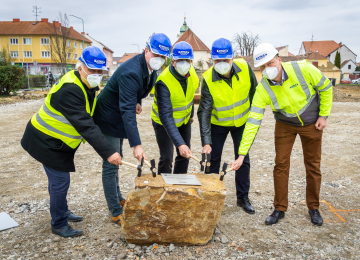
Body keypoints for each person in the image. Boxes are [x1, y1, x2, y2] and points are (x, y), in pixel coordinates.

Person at [21, 46, 122, 237]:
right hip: (45, 140)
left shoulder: (86, 84)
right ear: (80, 67)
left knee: (58, 181)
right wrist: (109, 152)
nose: (97, 75)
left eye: (100, 71)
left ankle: (62, 211)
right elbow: (86, 125)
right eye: (93, 70)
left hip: (58, 142)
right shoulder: (70, 89)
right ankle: (59, 223)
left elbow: (91, 111)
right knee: (60, 181)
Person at [231, 43, 333, 226]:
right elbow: (253, 121)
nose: (267, 69)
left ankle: (313, 207)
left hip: (312, 123)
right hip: (285, 124)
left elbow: (326, 87)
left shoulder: (303, 69)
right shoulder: (263, 89)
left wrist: (324, 115)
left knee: (313, 166)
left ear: (279, 59)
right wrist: (241, 154)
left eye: (270, 63)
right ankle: (279, 208)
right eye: (262, 67)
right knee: (280, 165)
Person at [92, 33, 172, 224]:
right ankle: (114, 210)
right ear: (146, 51)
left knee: (118, 158)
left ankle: (118, 196)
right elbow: (126, 110)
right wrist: (136, 144)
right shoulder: (131, 71)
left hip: (119, 114)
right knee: (112, 162)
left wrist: (136, 100)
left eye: (163, 57)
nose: (159, 60)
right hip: (109, 117)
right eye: (156, 55)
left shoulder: (152, 69)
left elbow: (138, 91)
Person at [197, 38, 258, 214]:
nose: (222, 64)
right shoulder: (208, 77)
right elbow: (204, 112)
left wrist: (253, 119)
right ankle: (211, 194)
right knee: (212, 159)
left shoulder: (246, 68)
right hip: (218, 124)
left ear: (233, 58)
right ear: (212, 60)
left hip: (241, 123)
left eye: (226, 60)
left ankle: (242, 198)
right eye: (217, 61)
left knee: (242, 159)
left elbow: (255, 94)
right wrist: (206, 141)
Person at [151, 41, 198, 174]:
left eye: (187, 60)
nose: (184, 63)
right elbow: (165, 116)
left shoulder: (193, 74)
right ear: (173, 62)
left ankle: (179, 187)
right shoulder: (163, 82)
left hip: (184, 121)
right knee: (166, 157)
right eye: (179, 60)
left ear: (191, 62)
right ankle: (164, 188)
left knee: (185, 155)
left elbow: (190, 96)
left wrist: (191, 114)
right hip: (163, 123)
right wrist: (179, 143)